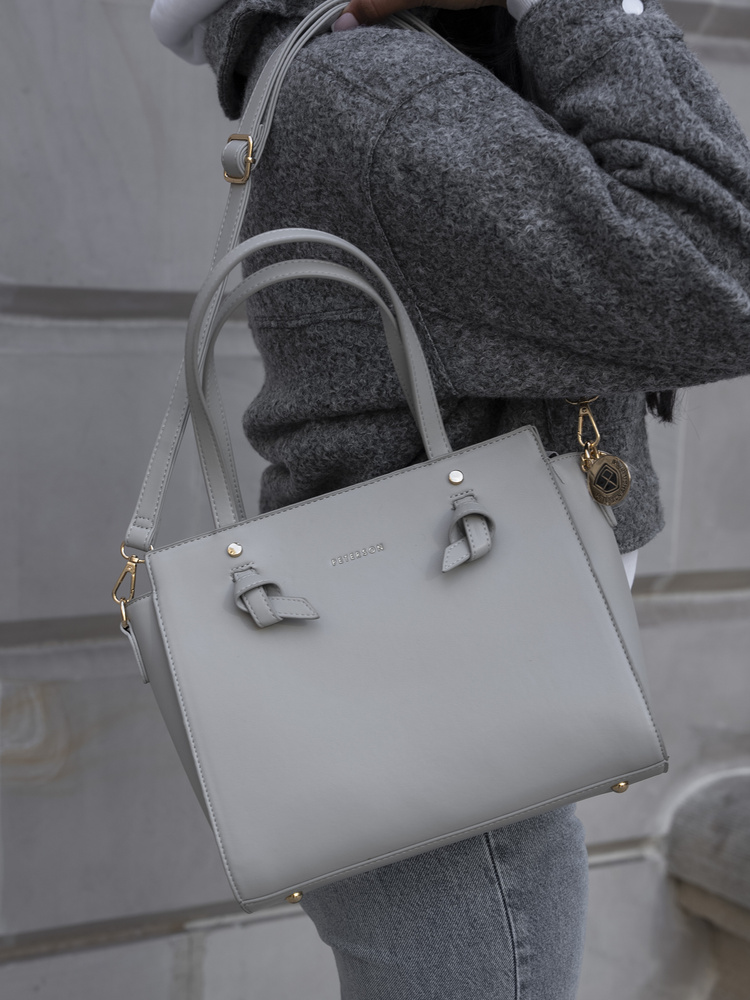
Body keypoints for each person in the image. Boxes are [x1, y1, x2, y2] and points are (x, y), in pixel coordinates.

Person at [150, 0, 750, 995]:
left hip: (435, 713)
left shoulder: (357, 74)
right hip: (459, 753)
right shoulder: (386, 94)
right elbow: (721, 269)